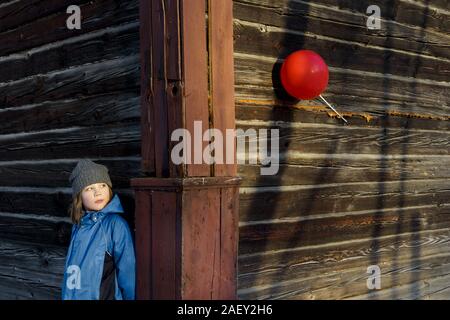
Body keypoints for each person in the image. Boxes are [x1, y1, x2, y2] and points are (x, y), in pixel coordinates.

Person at [62, 159, 135, 300]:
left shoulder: (115, 225)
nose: (98, 193)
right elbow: (71, 273)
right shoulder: (78, 227)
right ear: (79, 197)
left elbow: (128, 271)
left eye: (102, 185)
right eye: (89, 188)